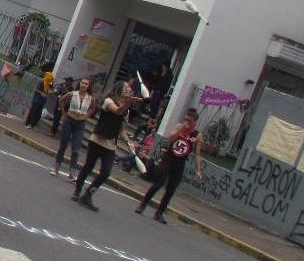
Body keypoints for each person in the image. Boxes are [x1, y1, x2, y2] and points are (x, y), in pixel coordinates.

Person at [70, 81, 139, 212]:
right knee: (88, 167)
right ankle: (77, 190)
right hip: (97, 140)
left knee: (106, 173)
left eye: (130, 89)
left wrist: (128, 142)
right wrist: (129, 101)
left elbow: (122, 130)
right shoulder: (108, 101)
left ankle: (88, 194)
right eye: (126, 88)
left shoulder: (126, 110)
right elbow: (117, 111)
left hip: (110, 145)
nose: (129, 90)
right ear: (118, 89)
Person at [135, 107, 203, 223]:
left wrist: (198, 170)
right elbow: (169, 140)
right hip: (168, 159)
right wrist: (180, 130)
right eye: (185, 119)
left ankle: (159, 212)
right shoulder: (179, 127)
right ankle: (143, 204)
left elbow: (197, 154)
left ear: (195, 122)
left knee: (171, 189)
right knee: (158, 183)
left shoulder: (197, 135)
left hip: (180, 163)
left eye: (189, 121)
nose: (186, 122)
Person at [51, 77, 94, 178]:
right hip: (69, 120)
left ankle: (72, 172)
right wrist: (63, 114)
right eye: (82, 83)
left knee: (76, 148)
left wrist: (86, 116)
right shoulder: (72, 94)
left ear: (89, 86)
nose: (83, 85)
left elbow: (92, 108)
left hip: (80, 123)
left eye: (86, 84)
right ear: (79, 84)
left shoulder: (91, 98)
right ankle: (56, 167)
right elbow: (61, 101)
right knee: (63, 145)